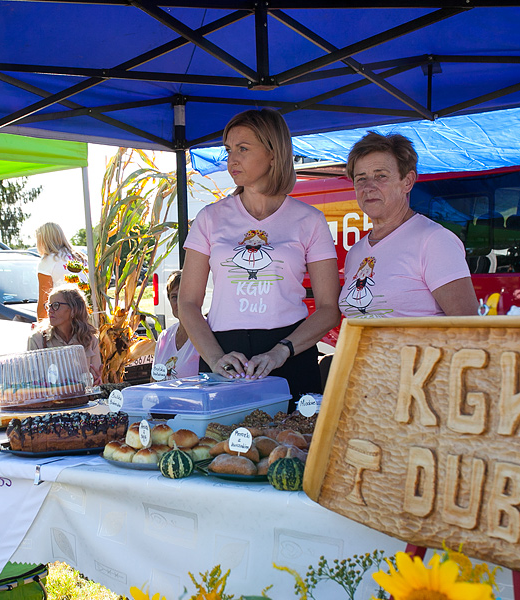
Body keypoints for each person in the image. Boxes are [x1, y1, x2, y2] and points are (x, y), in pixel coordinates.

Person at [179, 109, 340, 397]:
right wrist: (215, 358)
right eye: (229, 150)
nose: (232, 159)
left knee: (294, 442)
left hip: (291, 355)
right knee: (218, 442)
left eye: (243, 148)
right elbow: (188, 302)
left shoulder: (310, 220)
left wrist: (283, 351)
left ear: (274, 154)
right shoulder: (209, 217)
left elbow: (329, 308)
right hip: (223, 358)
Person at [339, 131, 477, 318]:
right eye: (361, 178)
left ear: (408, 182)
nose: (369, 187)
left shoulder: (434, 241)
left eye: (381, 176)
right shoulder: (355, 253)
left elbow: (468, 325)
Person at [28, 285, 102, 384]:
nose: (50, 310)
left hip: (83, 398)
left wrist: (97, 381)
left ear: (73, 309)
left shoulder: (89, 338)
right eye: (49, 306)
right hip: (51, 398)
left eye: (55, 305)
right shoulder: (37, 339)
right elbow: (32, 382)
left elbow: (94, 380)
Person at [35, 221, 88, 319]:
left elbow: (44, 301)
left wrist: (41, 328)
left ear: (42, 240)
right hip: (86, 313)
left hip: (65, 317)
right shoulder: (81, 257)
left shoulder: (48, 261)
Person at [153, 270, 200, 380]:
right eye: (174, 297)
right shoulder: (164, 337)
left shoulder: (210, 333)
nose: (180, 302)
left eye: (185, 296)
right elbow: (154, 380)